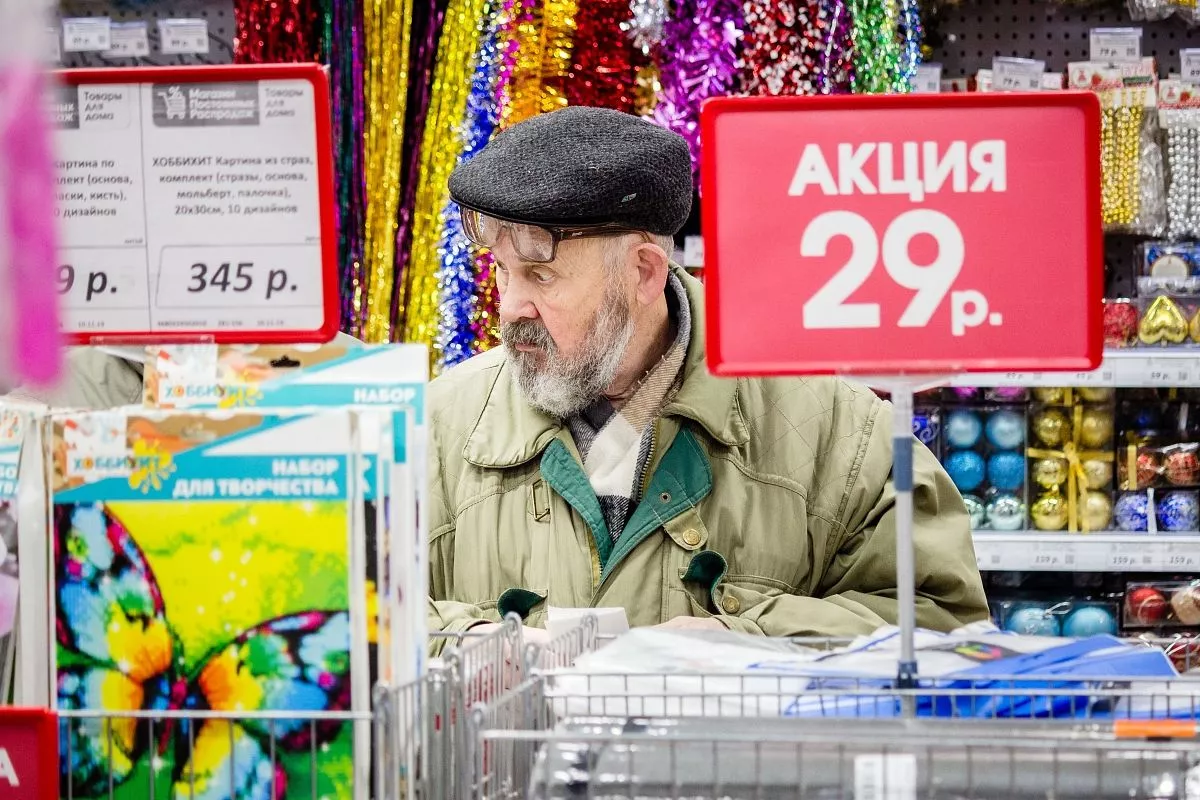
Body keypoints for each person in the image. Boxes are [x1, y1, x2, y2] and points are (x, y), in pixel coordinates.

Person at [427, 106, 989, 648]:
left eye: (542, 275)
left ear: (643, 272)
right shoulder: (436, 429)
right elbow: (372, 612)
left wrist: (744, 644)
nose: (510, 307)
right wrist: (467, 645)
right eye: (502, 271)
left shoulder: (839, 432)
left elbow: (941, 621)